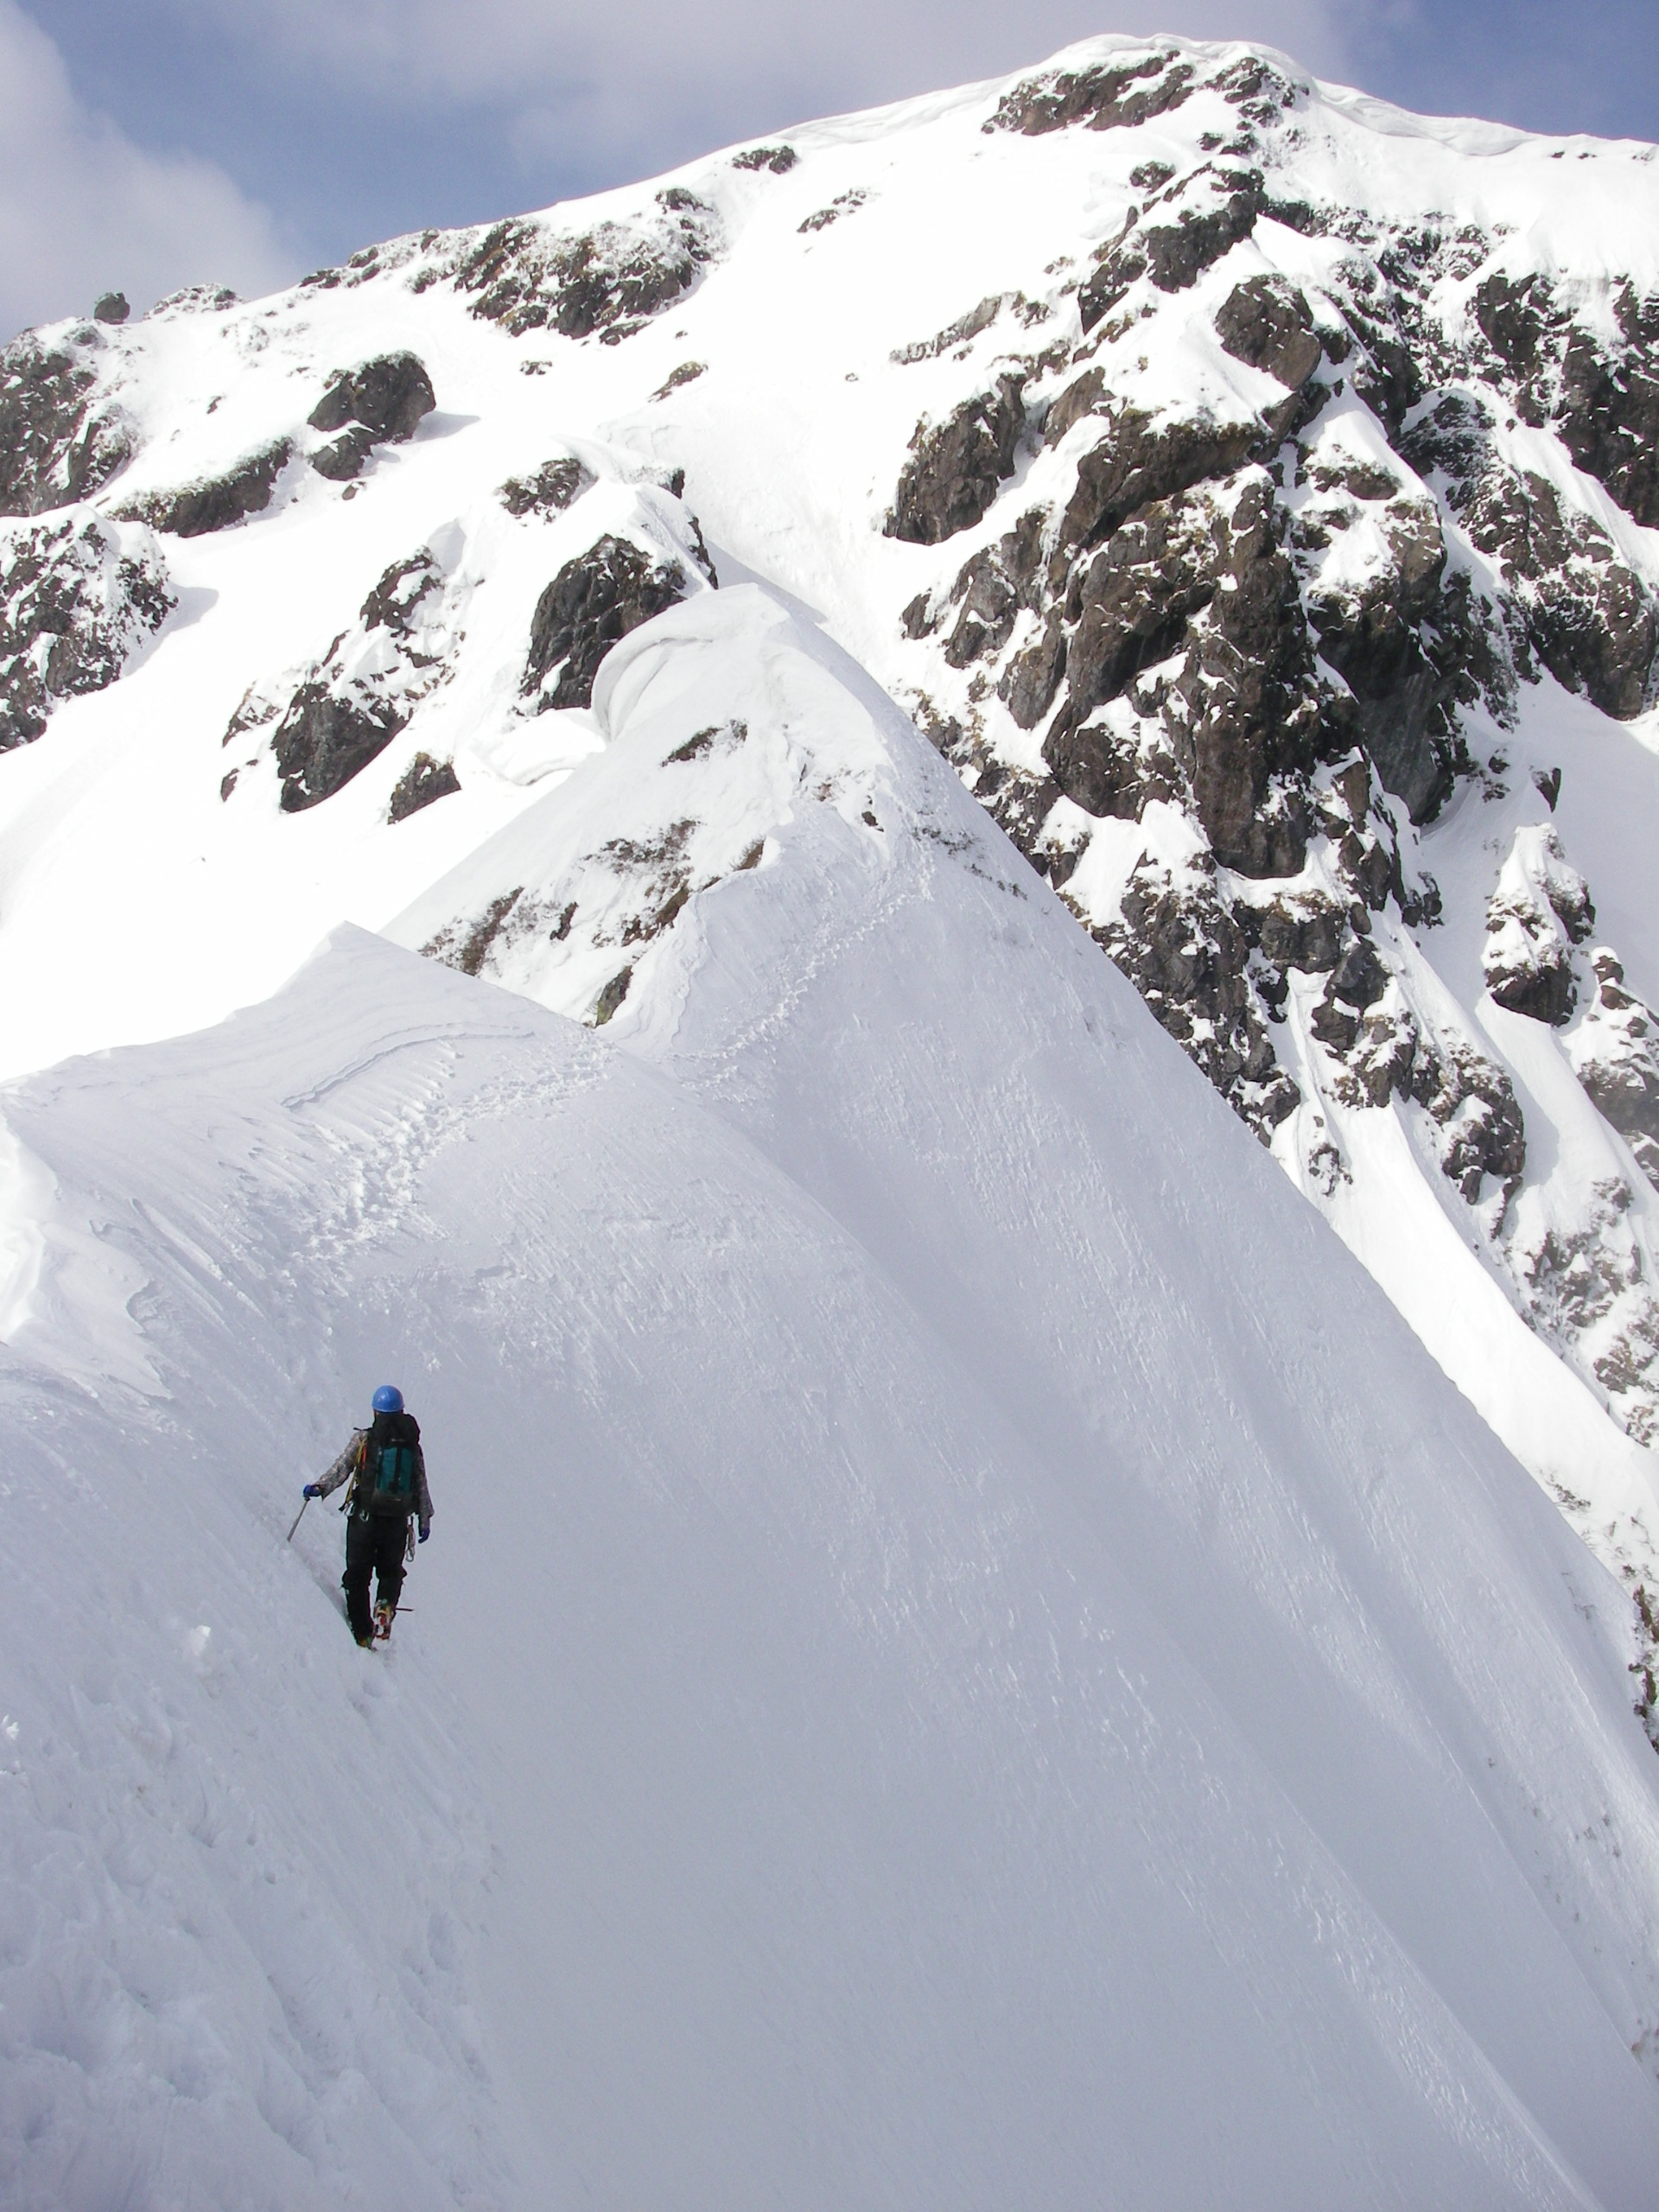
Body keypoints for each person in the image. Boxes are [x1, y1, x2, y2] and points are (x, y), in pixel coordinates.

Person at [304, 1385, 433, 1648]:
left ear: (376, 1411)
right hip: (397, 1524)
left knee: (357, 1576)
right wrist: (424, 1520)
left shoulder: (364, 1439)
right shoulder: (412, 1446)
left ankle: (362, 1633)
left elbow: (342, 1468)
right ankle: (385, 1605)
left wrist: (319, 1487)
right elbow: (421, 1485)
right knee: (390, 1572)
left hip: (365, 1519)